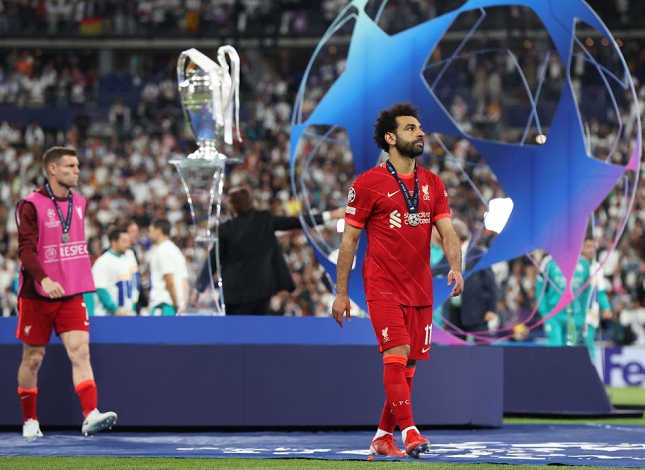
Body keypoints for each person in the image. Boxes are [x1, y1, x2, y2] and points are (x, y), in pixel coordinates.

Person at [331, 102, 464, 459]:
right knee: (396, 356)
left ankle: (381, 437)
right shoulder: (367, 183)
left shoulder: (433, 183)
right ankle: (411, 432)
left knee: (407, 369)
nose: (420, 133)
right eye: (410, 129)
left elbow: (448, 232)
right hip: (382, 285)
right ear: (390, 138)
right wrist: (341, 293)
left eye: (420, 128)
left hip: (421, 289)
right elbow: (349, 241)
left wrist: (456, 265)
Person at [15, 146, 117, 438]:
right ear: (53, 170)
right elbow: (25, 250)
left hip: (72, 291)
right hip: (37, 294)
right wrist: (44, 279)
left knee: (80, 351)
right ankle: (30, 420)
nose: (77, 171)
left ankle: (90, 415)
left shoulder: (81, 202)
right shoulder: (30, 205)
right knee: (33, 357)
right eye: (70, 166)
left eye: (77, 165)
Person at [196, 186, 344, 315]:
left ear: (233, 206)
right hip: (260, 291)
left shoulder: (226, 229)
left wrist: (200, 288)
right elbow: (295, 221)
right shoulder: (263, 220)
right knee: (258, 335)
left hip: (234, 295)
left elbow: (213, 260)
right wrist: (330, 215)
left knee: (235, 335)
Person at [536, 239, 607, 358]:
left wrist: (583, 317)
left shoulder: (585, 265)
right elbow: (540, 288)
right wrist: (544, 312)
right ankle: (551, 375)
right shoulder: (549, 262)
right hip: (554, 314)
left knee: (571, 350)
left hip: (574, 316)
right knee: (555, 344)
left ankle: (566, 375)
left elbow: (587, 294)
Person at [441, 219, 498, 339]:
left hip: (477, 312)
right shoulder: (447, 255)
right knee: (455, 353)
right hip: (454, 312)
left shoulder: (478, 254)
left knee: (482, 352)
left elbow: (491, 283)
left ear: (458, 237)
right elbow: (436, 271)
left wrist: (491, 309)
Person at [92, 226, 137, 316]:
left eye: (128, 241)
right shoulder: (103, 261)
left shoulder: (127, 258)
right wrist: (114, 309)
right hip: (107, 315)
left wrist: (132, 306)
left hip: (127, 314)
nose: (128, 245)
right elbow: (100, 288)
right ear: (113, 242)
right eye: (124, 241)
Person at [148, 218, 189, 316]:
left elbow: (169, 279)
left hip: (163, 305)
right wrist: (182, 304)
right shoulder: (176, 251)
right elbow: (185, 281)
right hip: (176, 306)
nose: (149, 234)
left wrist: (175, 304)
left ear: (159, 231)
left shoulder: (162, 250)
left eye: (151, 231)